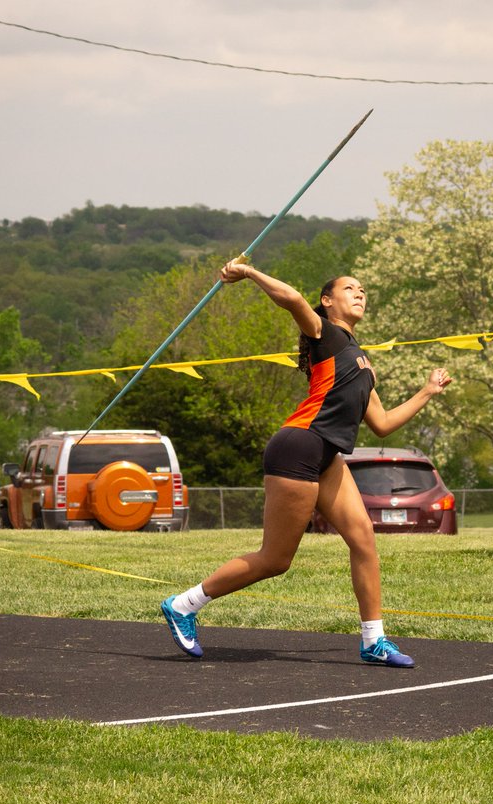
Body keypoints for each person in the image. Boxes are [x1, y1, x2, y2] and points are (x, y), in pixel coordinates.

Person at [161, 261, 452, 667]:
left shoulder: (360, 361)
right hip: (298, 447)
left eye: (363, 289)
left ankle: (374, 641)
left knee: (364, 541)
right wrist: (247, 272)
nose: (360, 293)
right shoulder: (324, 333)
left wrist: (426, 391)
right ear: (327, 301)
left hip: (328, 456)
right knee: (276, 560)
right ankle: (184, 604)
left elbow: (382, 425)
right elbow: (293, 299)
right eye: (350, 288)